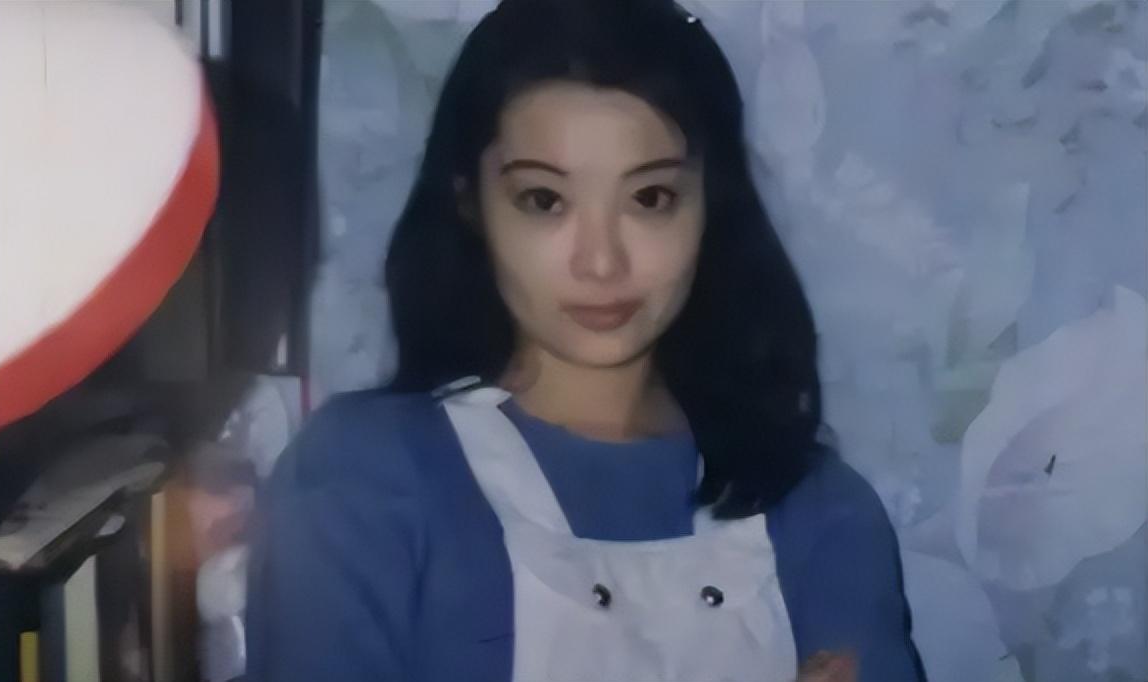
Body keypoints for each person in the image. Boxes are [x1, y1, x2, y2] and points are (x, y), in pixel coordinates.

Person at [246, 0, 928, 680]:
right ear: (469, 203)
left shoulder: (818, 510)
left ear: (710, 206)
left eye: (650, 199)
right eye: (544, 200)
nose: (601, 262)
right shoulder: (360, 479)